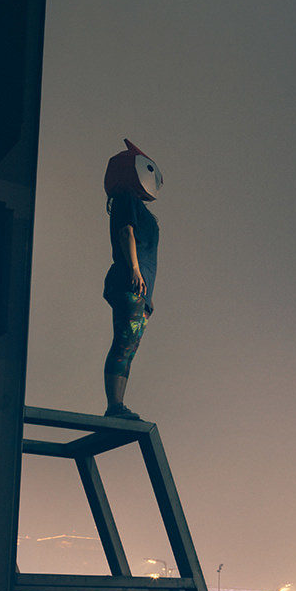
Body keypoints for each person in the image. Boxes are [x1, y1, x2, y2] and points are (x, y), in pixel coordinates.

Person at [101, 139, 164, 419]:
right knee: (124, 343)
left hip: (140, 291)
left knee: (129, 345)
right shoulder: (125, 198)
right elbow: (126, 233)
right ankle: (115, 406)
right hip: (130, 282)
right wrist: (135, 270)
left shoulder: (136, 204)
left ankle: (117, 405)